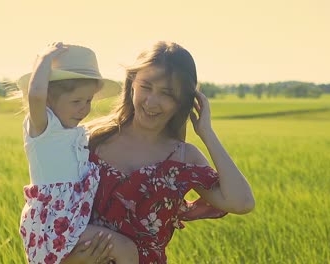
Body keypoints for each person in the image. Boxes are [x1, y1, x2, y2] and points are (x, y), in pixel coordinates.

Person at [68, 41, 255, 263]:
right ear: (132, 84)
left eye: (166, 93)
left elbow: (241, 202)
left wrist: (206, 132)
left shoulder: (183, 158)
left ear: (182, 101)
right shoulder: (90, 139)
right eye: (146, 87)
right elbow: (48, 209)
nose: (152, 102)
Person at [14, 42, 138, 264]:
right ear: (49, 99)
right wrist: (43, 59)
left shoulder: (76, 134)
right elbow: (35, 95)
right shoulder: (44, 129)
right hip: (53, 224)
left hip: (71, 221)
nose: (85, 108)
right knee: (126, 250)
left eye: (89, 100)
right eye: (76, 101)